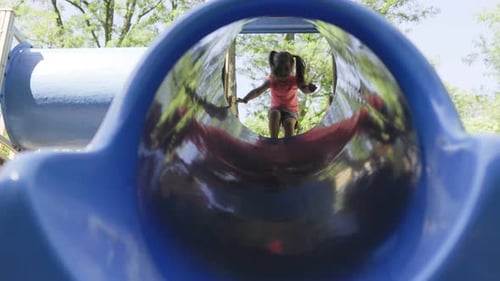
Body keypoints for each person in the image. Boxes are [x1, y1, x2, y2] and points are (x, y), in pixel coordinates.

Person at [237, 51, 317, 138]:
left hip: (291, 111)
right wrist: (246, 99)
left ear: (290, 68)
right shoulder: (271, 80)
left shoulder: (294, 80)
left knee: (289, 124)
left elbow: (304, 90)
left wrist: (310, 89)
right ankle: (273, 140)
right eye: (280, 74)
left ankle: (288, 144)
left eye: (285, 74)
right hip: (275, 108)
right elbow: (257, 91)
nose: (282, 79)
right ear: (274, 69)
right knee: (275, 114)